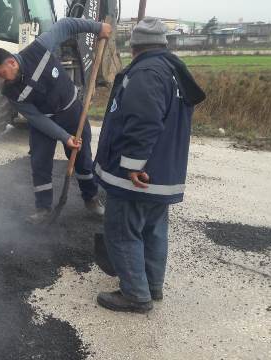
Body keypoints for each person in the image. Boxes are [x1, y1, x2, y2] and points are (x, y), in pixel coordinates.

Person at [93, 18, 205, 313]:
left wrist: (131, 165)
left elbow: (144, 121)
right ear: (163, 44)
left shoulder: (146, 72)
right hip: (162, 172)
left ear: (134, 46)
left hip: (138, 176)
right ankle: (152, 286)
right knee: (153, 230)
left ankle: (135, 295)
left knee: (122, 231)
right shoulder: (171, 70)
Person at [0, 18, 112, 224]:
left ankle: (91, 199)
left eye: (1, 74)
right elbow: (35, 117)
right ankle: (43, 208)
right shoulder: (10, 91)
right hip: (44, 121)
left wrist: (98, 28)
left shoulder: (39, 48)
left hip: (71, 111)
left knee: (82, 157)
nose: (1, 80)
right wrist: (64, 137)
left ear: (11, 62)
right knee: (39, 161)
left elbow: (66, 25)